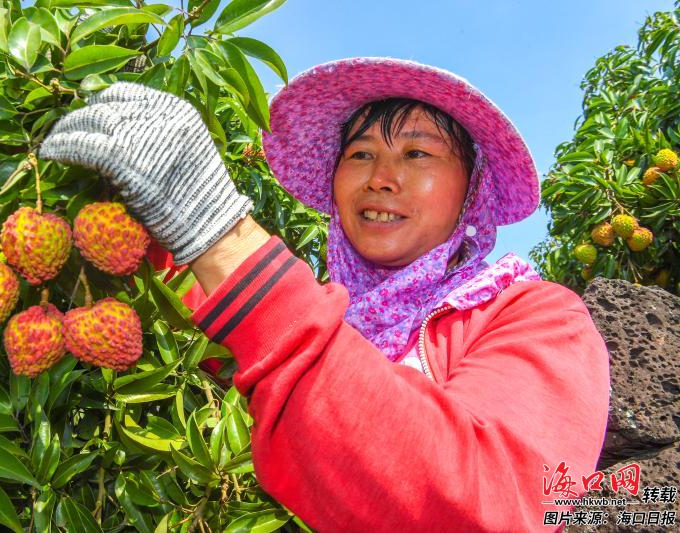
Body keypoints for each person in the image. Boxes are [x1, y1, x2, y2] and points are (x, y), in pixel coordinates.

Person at [40, 57, 610, 532]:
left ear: (473, 192)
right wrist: (111, 218)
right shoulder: (310, 309)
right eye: (359, 154)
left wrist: (223, 235)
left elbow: (501, 507)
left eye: (417, 154)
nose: (380, 177)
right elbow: (187, 326)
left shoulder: (535, 315)